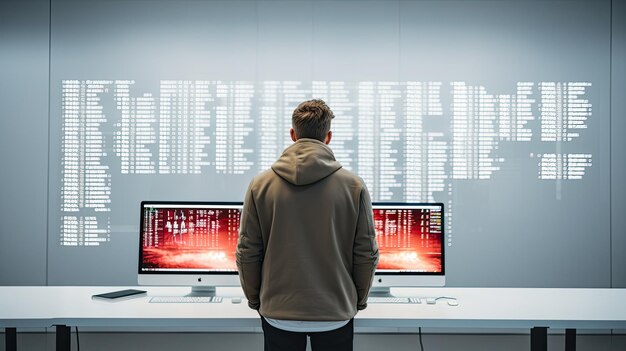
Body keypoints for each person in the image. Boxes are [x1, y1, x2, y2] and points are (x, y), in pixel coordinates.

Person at [236, 99, 379, 351]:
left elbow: (247, 253)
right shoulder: (353, 185)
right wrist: (357, 300)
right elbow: (366, 253)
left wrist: (256, 300)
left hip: (277, 313)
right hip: (335, 313)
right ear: (328, 137)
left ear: (293, 135)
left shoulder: (260, 184)